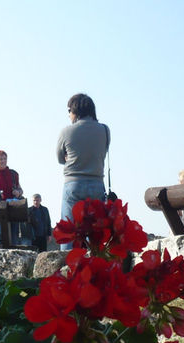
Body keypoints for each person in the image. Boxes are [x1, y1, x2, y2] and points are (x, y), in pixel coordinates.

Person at [56, 93, 110, 250]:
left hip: (73, 184)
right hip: (97, 184)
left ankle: (68, 267)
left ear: (75, 111)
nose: (68, 114)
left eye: (69, 110)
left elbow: (60, 159)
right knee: (95, 235)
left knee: (69, 232)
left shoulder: (66, 131)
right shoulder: (105, 130)